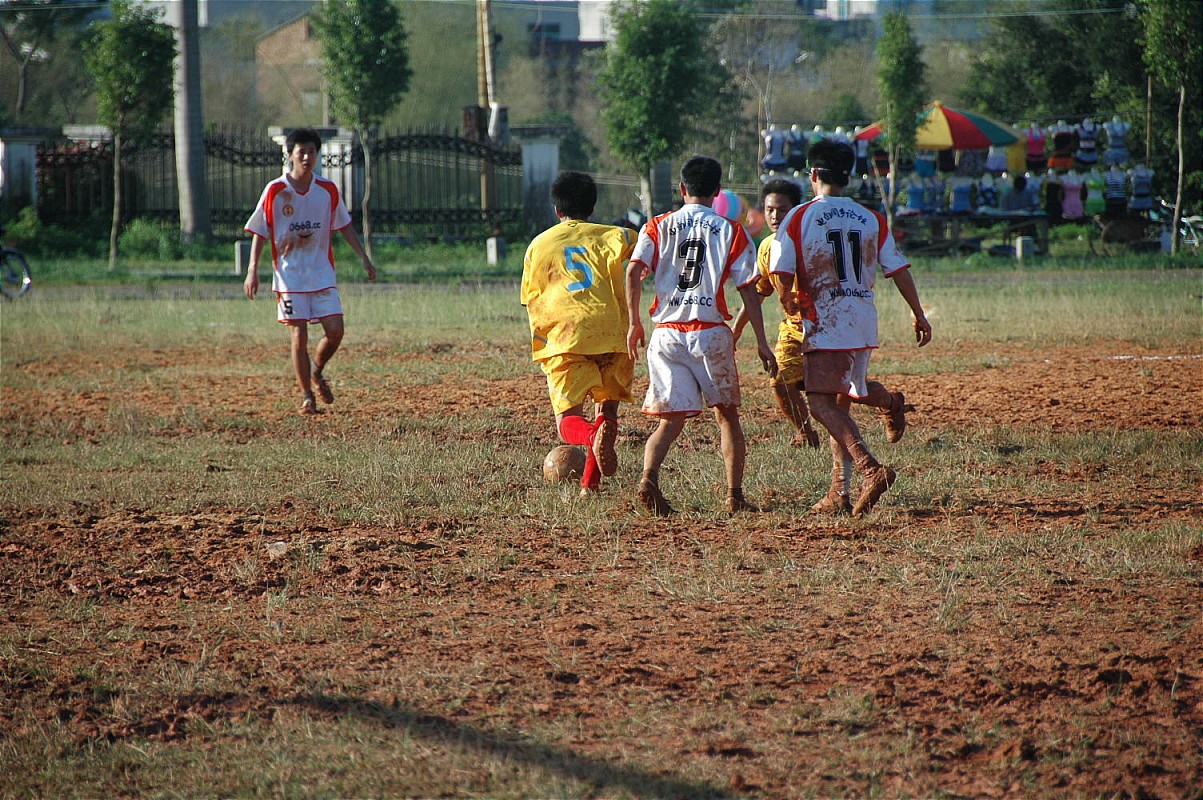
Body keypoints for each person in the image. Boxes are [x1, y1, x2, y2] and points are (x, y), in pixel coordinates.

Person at [769, 140, 933, 517]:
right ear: (850, 175)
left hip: (826, 320)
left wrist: (790, 303)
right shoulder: (870, 217)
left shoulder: (800, 216)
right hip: (862, 319)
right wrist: (918, 313)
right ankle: (839, 491)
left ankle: (869, 468)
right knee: (843, 400)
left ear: (813, 174)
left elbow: (780, 272)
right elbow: (897, 268)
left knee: (821, 402)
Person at [625, 156, 778, 516]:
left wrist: (634, 323)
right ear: (717, 192)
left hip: (666, 334)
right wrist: (761, 341)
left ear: (682, 188)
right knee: (727, 417)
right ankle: (734, 496)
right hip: (709, 333)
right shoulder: (731, 230)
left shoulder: (657, 225)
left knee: (670, 420)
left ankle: (648, 479)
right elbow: (748, 288)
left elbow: (633, 272)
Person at [244, 127, 376, 415]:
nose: (307, 157)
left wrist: (364, 258)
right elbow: (260, 231)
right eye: (301, 152)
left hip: (321, 274)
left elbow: (344, 225)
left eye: (312, 152)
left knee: (336, 331)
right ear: (290, 155)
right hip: (289, 277)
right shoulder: (275, 190)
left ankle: (317, 370)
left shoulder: (327, 190)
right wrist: (252, 269)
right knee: (299, 335)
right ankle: (307, 397)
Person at [521, 171, 637, 497]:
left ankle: (590, 438)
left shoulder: (538, 245)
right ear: (592, 206)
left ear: (557, 209)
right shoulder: (617, 235)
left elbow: (529, 298)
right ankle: (589, 487)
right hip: (612, 332)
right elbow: (645, 251)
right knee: (606, 414)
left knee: (568, 422)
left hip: (565, 336)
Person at [731, 179, 822, 449]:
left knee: (841, 389)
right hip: (793, 328)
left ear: (796, 210)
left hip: (827, 324)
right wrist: (736, 330)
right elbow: (757, 295)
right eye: (770, 210)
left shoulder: (813, 239)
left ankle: (888, 403)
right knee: (780, 379)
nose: (775, 216)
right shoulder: (767, 247)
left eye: (782, 210)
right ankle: (806, 433)